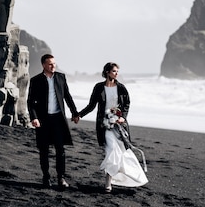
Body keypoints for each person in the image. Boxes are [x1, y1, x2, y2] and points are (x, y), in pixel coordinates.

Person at [77, 62, 148, 192]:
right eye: (114, 71)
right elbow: (92, 105)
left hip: (119, 126)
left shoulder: (121, 88)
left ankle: (129, 177)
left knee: (121, 153)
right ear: (107, 72)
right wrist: (79, 115)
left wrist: (123, 117)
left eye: (117, 71)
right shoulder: (99, 87)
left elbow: (126, 104)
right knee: (111, 151)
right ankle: (108, 183)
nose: (116, 73)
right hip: (104, 126)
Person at [27, 54, 80, 189]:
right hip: (43, 120)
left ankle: (61, 178)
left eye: (54, 63)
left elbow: (67, 96)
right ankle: (46, 177)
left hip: (58, 119)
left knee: (60, 149)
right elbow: (31, 101)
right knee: (44, 150)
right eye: (50, 64)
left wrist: (74, 113)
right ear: (44, 65)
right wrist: (34, 117)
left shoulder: (61, 78)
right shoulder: (36, 80)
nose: (53, 66)